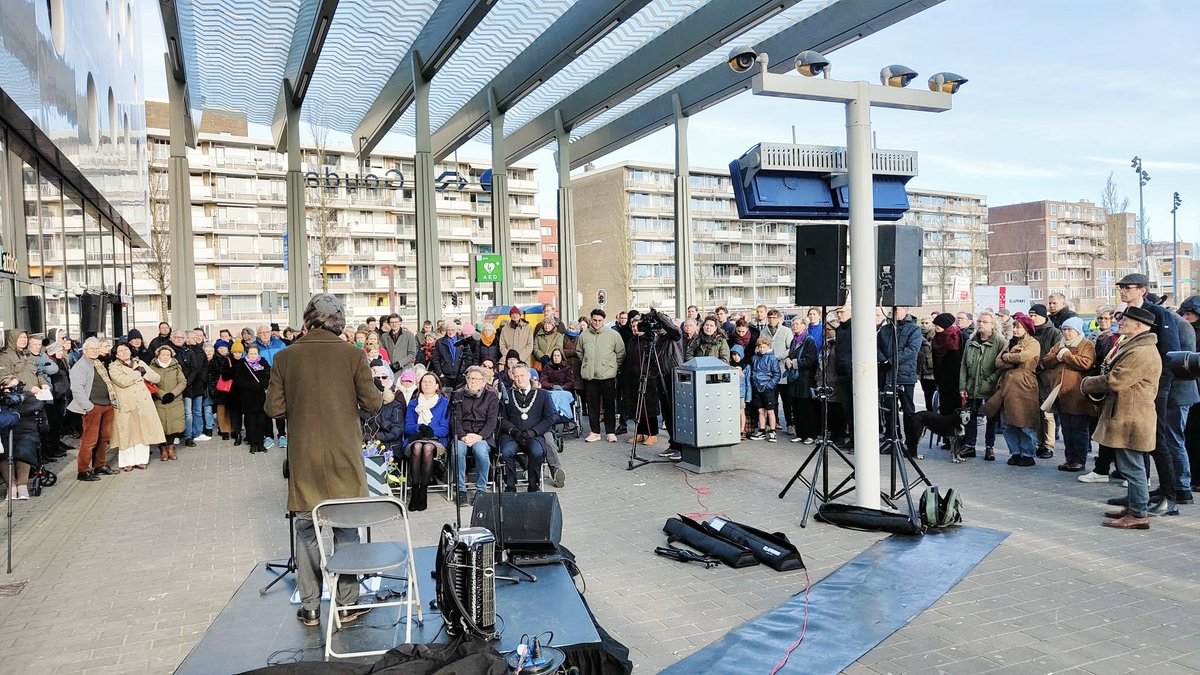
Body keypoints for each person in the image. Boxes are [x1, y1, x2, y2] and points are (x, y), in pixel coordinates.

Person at [265, 294, 382, 628]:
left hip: (305, 459)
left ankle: (312, 608)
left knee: (306, 530)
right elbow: (373, 403)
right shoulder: (353, 355)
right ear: (339, 321)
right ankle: (347, 605)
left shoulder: (286, 357)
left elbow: (273, 409)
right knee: (345, 531)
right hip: (344, 455)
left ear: (308, 319)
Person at [1082, 305, 1163, 529]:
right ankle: (1134, 506)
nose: (1120, 322)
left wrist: (1087, 384)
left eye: (1125, 320)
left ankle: (1138, 515)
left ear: (1138, 326)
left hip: (1132, 416)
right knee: (1129, 465)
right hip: (1128, 413)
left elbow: (1116, 380)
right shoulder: (1135, 346)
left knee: (1132, 467)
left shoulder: (1141, 351)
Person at [1115, 274, 1189, 510]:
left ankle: (1170, 496)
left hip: (1153, 388)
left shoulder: (1159, 313)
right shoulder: (1127, 312)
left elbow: (1170, 355)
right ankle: (1138, 494)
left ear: (1143, 290)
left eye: (1128, 287)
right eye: (1121, 287)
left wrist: (1158, 387)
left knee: (1158, 440)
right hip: (1131, 388)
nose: (1123, 291)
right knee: (1135, 439)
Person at [1041, 316, 1097, 472]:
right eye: (1064, 329)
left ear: (1077, 331)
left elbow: (1086, 363)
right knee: (1066, 429)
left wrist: (1065, 356)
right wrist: (1058, 354)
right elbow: (1045, 361)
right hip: (1061, 394)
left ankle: (1079, 460)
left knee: (1079, 429)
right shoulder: (1059, 345)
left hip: (1077, 394)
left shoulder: (1086, 345)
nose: (1066, 333)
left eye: (1069, 330)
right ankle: (1069, 458)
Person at [991, 313, 1041, 466]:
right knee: (1008, 422)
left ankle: (1028, 453)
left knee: (1025, 422)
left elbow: (1023, 357)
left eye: (1018, 326)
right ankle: (1015, 452)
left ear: (1026, 328)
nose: (1015, 329)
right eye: (1014, 326)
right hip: (1008, 384)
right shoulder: (1010, 342)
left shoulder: (1033, 343)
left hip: (1025, 385)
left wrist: (1008, 357)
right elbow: (998, 361)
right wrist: (1009, 358)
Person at [107, 343, 166, 471]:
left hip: (143, 403)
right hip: (125, 404)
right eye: (120, 351)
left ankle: (141, 460)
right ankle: (127, 462)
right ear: (116, 354)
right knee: (126, 432)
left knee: (142, 431)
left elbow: (156, 377)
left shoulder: (140, 363)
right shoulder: (113, 367)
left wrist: (143, 373)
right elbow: (123, 381)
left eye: (126, 350)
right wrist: (137, 374)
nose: (124, 352)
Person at [497, 365, 555, 492]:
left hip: (534, 434)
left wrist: (534, 431)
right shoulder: (507, 395)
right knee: (507, 452)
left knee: (537, 452)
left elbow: (549, 418)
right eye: (516, 376)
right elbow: (501, 418)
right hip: (512, 435)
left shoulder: (543, 395)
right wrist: (513, 431)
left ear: (529, 376)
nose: (519, 379)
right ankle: (510, 485)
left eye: (522, 375)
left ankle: (533, 484)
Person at [959, 312, 1005, 461]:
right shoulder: (970, 341)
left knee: (991, 417)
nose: (981, 324)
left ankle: (989, 447)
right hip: (972, 385)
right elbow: (964, 365)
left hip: (990, 386)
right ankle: (970, 445)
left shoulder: (1000, 342)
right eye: (979, 321)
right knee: (970, 416)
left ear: (993, 325)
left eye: (985, 322)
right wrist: (962, 386)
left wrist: (991, 381)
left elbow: (1001, 367)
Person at [451, 365, 499, 507]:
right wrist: (463, 436)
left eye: (478, 379)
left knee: (481, 451)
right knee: (457, 452)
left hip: (482, 435)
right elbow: (455, 420)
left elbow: (492, 421)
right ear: (466, 379)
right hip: (462, 434)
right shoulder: (458, 395)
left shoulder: (491, 397)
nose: (474, 382)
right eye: (471, 378)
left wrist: (480, 436)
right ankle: (461, 490)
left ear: (484, 383)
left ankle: (481, 489)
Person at [68, 338, 115, 481]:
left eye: (96, 348)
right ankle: (83, 470)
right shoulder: (80, 366)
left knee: (104, 438)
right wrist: (89, 406)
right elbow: (77, 389)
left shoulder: (98, 362)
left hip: (106, 405)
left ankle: (100, 465)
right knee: (90, 441)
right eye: (92, 349)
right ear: (85, 350)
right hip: (93, 407)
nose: (94, 351)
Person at [878, 307, 923, 449]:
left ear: (906, 310)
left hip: (905, 376)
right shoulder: (884, 329)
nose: (894, 312)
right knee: (889, 410)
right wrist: (883, 360)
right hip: (887, 375)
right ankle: (892, 438)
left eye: (898, 309)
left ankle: (911, 443)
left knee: (908, 410)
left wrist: (891, 360)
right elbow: (876, 346)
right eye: (892, 309)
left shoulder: (914, 329)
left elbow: (912, 349)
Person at [578, 308, 625, 443]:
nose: (597, 323)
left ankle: (610, 431)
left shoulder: (613, 335)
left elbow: (621, 353)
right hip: (590, 376)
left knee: (609, 404)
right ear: (591, 319)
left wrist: (613, 366)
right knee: (592, 404)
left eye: (600, 320)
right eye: (595, 320)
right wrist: (587, 363)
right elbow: (580, 351)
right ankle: (595, 431)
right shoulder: (584, 335)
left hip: (607, 375)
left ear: (603, 320)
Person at [404, 372, 449, 511]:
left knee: (428, 448)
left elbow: (445, 428)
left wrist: (430, 431)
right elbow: (408, 427)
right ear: (420, 385)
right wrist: (420, 428)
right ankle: (415, 490)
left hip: (436, 440)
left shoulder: (445, 403)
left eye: (430, 382)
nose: (427, 384)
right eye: (424, 382)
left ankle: (423, 491)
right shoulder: (413, 404)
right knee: (417, 447)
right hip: (416, 438)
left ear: (437, 386)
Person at [1027, 304, 1063, 459]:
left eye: (1035, 315)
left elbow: (1057, 353)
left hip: (1047, 378)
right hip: (1031, 377)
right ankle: (1039, 443)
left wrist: (1043, 363)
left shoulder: (1054, 332)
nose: (1032, 318)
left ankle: (1048, 445)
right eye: (1031, 315)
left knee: (1047, 413)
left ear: (1043, 316)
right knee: (1035, 413)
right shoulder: (1029, 332)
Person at [0, 375, 43, 499]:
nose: (12, 390)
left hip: (25, 429)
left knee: (24, 448)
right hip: (4, 429)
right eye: (9, 388)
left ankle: (22, 485)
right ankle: (11, 486)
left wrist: (18, 410)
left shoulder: (27, 395)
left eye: (15, 387)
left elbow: (37, 405)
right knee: (4, 452)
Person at [149, 345, 187, 461]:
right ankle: (162, 449)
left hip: (174, 400)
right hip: (159, 400)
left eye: (167, 355)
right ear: (158, 355)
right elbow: (151, 384)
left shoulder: (176, 367)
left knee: (173, 425)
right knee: (161, 425)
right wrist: (161, 394)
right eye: (163, 354)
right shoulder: (152, 367)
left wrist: (172, 394)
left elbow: (182, 382)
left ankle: (171, 448)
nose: (165, 357)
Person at [233, 345, 271, 453]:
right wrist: (254, 386)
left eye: (255, 353)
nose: (253, 356)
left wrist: (261, 385)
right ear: (247, 354)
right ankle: (253, 443)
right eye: (251, 353)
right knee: (250, 421)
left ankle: (260, 443)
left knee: (261, 420)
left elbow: (268, 377)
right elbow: (238, 381)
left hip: (261, 397)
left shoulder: (263, 362)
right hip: (247, 397)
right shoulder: (242, 364)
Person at [931, 313, 965, 418]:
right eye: (935, 325)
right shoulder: (936, 339)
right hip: (942, 380)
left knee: (956, 409)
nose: (936, 328)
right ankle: (946, 431)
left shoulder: (957, 337)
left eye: (939, 325)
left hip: (957, 379)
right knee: (945, 409)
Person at [749, 337, 782, 442]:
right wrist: (754, 383)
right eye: (760, 347)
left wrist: (770, 385)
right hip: (757, 387)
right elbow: (753, 371)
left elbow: (777, 374)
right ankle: (762, 430)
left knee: (770, 410)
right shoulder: (755, 358)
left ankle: (772, 431)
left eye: (764, 347)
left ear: (768, 347)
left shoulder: (772, 359)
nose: (762, 349)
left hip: (768, 387)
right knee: (760, 410)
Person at [210, 340, 234, 440]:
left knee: (231, 410)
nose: (222, 350)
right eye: (219, 348)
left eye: (224, 348)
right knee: (221, 410)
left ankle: (232, 429)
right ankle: (224, 430)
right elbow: (211, 375)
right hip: (219, 389)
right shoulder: (214, 360)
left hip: (232, 388)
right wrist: (214, 388)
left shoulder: (232, 359)